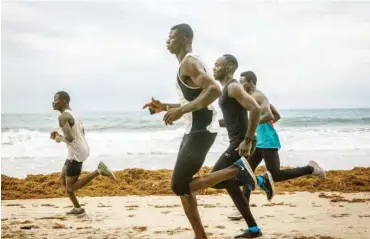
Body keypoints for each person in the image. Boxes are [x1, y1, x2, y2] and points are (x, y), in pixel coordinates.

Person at [142, 24, 259, 239]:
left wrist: (181, 111)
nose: (167, 41)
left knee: (179, 185)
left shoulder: (189, 62)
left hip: (201, 129)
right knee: (184, 187)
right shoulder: (185, 64)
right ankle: (200, 236)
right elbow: (194, 100)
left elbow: (213, 90)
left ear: (184, 38)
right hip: (194, 128)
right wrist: (165, 107)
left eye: (171, 37)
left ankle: (237, 170)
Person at [226, 71, 326, 226]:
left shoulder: (259, 96)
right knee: (247, 172)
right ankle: (242, 208)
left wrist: (253, 124)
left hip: (268, 142)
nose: (240, 85)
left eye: (242, 81)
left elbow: (269, 116)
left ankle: (310, 168)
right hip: (258, 141)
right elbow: (276, 115)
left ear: (251, 82)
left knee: (276, 175)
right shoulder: (252, 98)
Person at [212, 55, 276, 238]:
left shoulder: (233, 87)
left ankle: (261, 181)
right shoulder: (226, 89)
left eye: (217, 65)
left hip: (241, 143)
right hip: (238, 141)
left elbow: (255, 109)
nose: (214, 67)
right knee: (230, 184)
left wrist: (247, 140)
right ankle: (254, 229)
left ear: (228, 67)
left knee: (215, 179)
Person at [50, 91, 116, 215]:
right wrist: (59, 135)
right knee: (63, 179)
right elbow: (80, 132)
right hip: (81, 148)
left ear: (64, 101)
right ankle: (77, 208)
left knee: (70, 187)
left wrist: (58, 138)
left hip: (75, 153)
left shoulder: (63, 116)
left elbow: (69, 138)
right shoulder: (74, 114)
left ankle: (99, 171)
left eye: (56, 100)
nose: (53, 102)